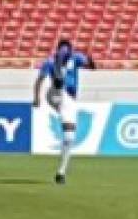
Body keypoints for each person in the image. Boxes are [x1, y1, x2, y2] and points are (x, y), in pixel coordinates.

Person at [33, 40, 95, 185]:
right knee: (60, 87)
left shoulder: (76, 58)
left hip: (69, 100)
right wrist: (36, 98)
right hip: (55, 94)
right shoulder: (49, 62)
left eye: (67, 52)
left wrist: (91, 61)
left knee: (69, 137)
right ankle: (58, 80)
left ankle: (61, 172)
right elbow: (39, 80)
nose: (66, 53)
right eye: (62, 51)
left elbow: (91, 67)